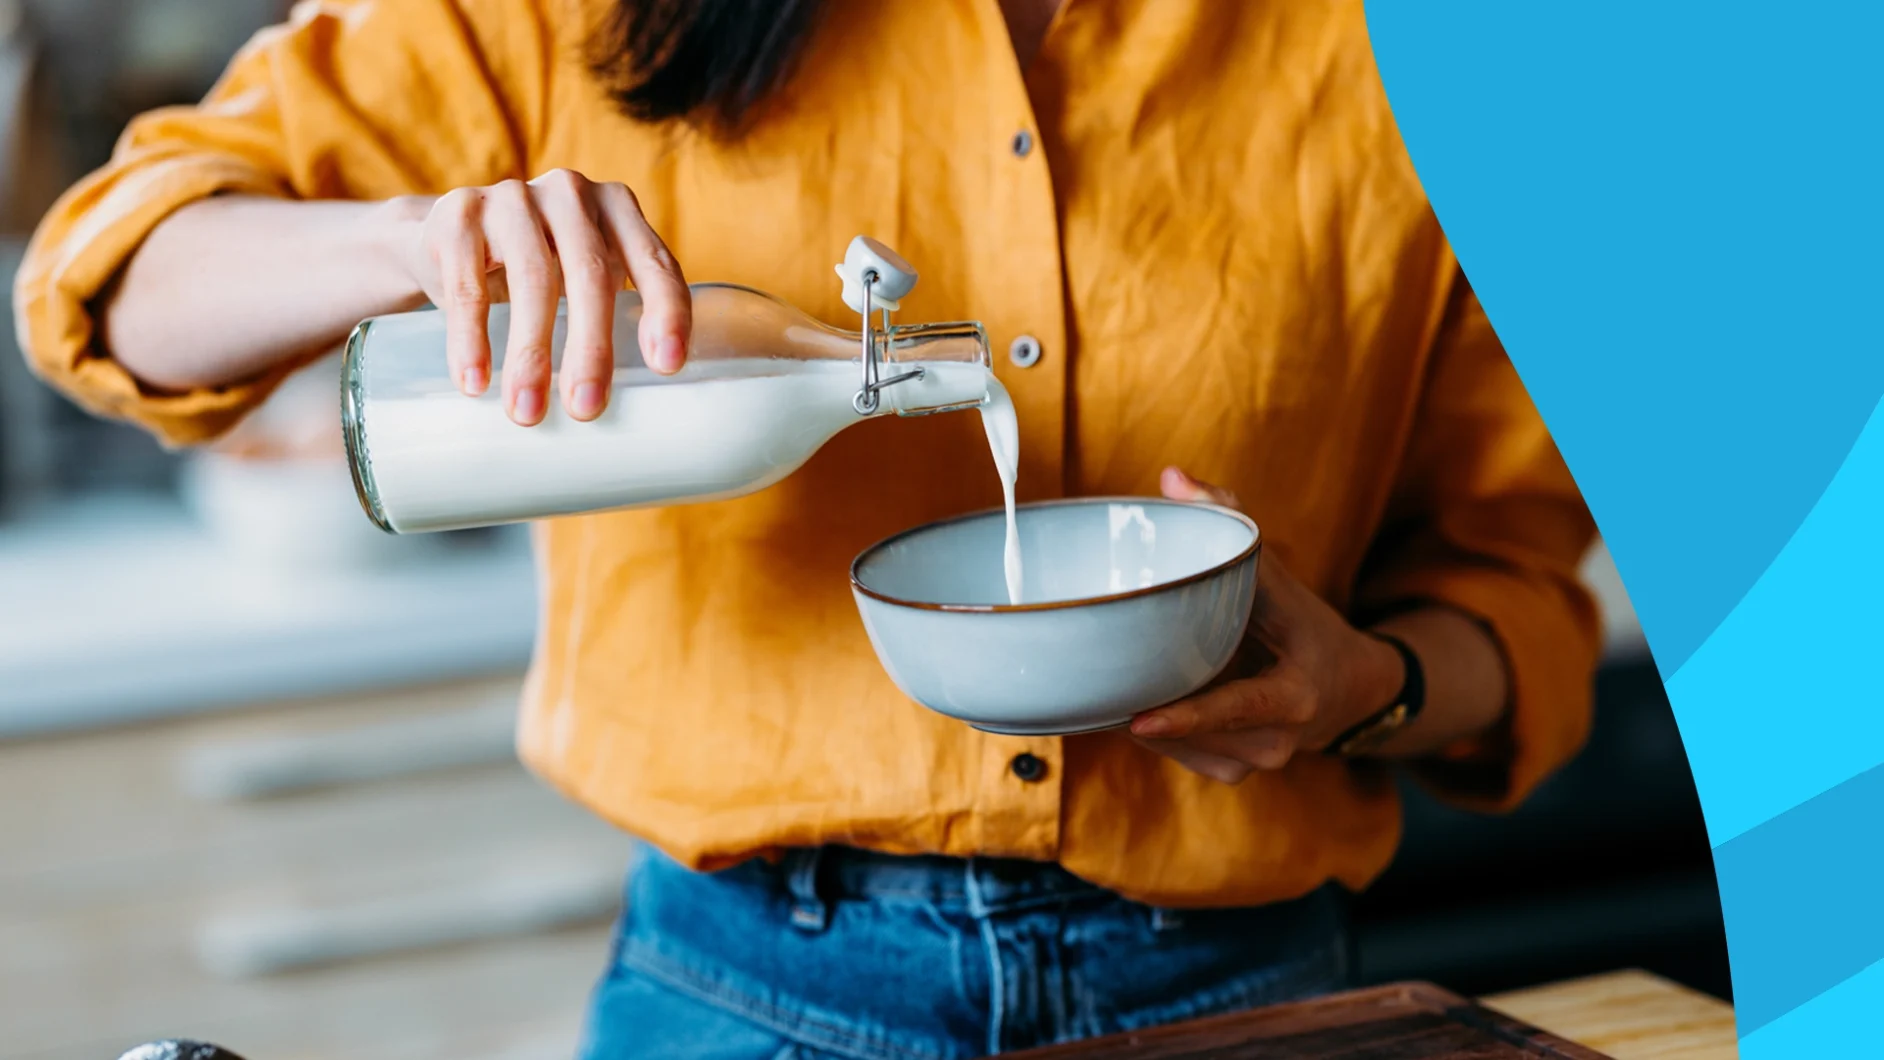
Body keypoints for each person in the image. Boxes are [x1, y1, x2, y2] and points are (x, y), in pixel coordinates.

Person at [16, 0, 1600, 1055]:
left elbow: (1515, 596)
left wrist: (1363, 683)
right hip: (751, 989)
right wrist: (412, 237)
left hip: (1246, 992)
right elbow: (110, 278)